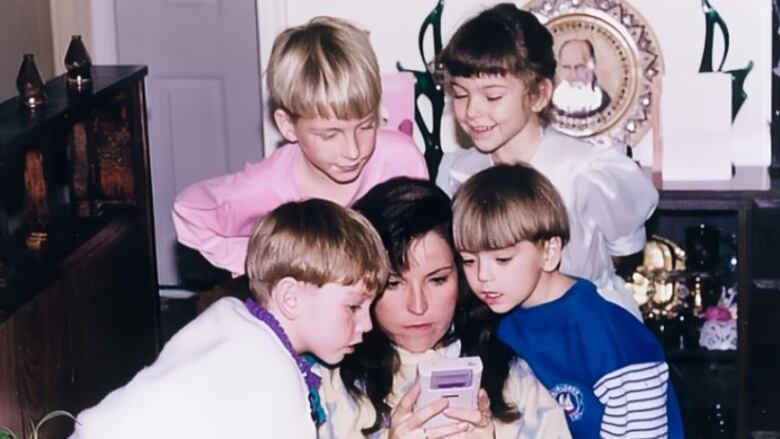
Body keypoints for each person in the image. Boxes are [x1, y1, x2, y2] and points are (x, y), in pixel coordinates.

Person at [70, 199, 390, 439]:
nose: (367, 324)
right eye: (353, 307)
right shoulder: (271, 373)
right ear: (290, 298)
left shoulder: (230, 318)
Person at [435, 3, 657, 319]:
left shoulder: (586, 171)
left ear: (538, 94)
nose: (472, 110)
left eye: (493, 96)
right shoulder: (458, 172)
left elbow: (625, 251)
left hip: (588, 326)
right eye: (460, 94)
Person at [317, 177, 571, 439]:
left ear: (462, 276)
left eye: (437, 279)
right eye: (393, 284)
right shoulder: (329, 385)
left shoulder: (514, 376)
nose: (418, 306)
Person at [173, 16, 428, 276]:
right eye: (330, 135)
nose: (353, 151)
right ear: (288, 126)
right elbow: (189, 212)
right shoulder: (265, 186)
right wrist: (262, 262)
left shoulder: (402, 159)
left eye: (366, 126)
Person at [451, 163, 683, 439]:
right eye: (468, 260)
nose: (482, 276)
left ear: (549, 252)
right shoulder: (503, 320)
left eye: (502, 259)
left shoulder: (607, 333)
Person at [551, 38, 612, 118]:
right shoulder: (549, 104)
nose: (573, 75)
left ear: (592, 65)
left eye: (580, 67)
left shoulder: (606, 105)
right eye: (566, 67)